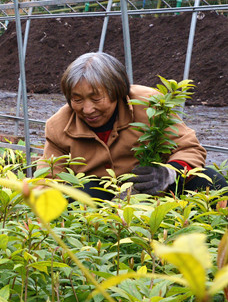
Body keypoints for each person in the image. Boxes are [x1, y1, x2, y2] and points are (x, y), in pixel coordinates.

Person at [39, 52, 227, 199]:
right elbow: (48, 177)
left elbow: (189, 147)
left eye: (96, 98)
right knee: (80, 193)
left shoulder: (151, 105)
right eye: (77, 99)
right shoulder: (59, 126)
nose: (87, 109)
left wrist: (169, 174)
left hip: (157, 193)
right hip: (100, 200)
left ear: (117, 91)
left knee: (211, 181)